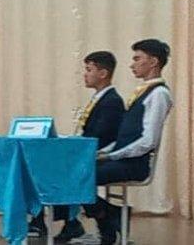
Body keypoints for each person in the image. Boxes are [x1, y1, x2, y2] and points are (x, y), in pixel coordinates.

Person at [83, 39, 173, 245]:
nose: (132, 65)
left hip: (134, 164)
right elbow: (123, 138)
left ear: (153, 62)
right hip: (122, 159)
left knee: (79, 176)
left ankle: (108, 217)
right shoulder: (144, 91)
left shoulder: (159, 94)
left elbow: (148, 141)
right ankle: (110, 217)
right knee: (74, 172)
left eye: (137, 59)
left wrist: (111, 156)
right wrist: (103, 153)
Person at [29, 51, 125, 242]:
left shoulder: (112, 101)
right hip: (89, 152)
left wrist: (74, 145)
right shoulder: (101, 98)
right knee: (49, 167)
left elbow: (100, 136)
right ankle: (71, 221)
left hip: (100, 154)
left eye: (89, 70)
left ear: (103, 73)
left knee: (60, 172)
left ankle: (101, 214)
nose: (85, 74)